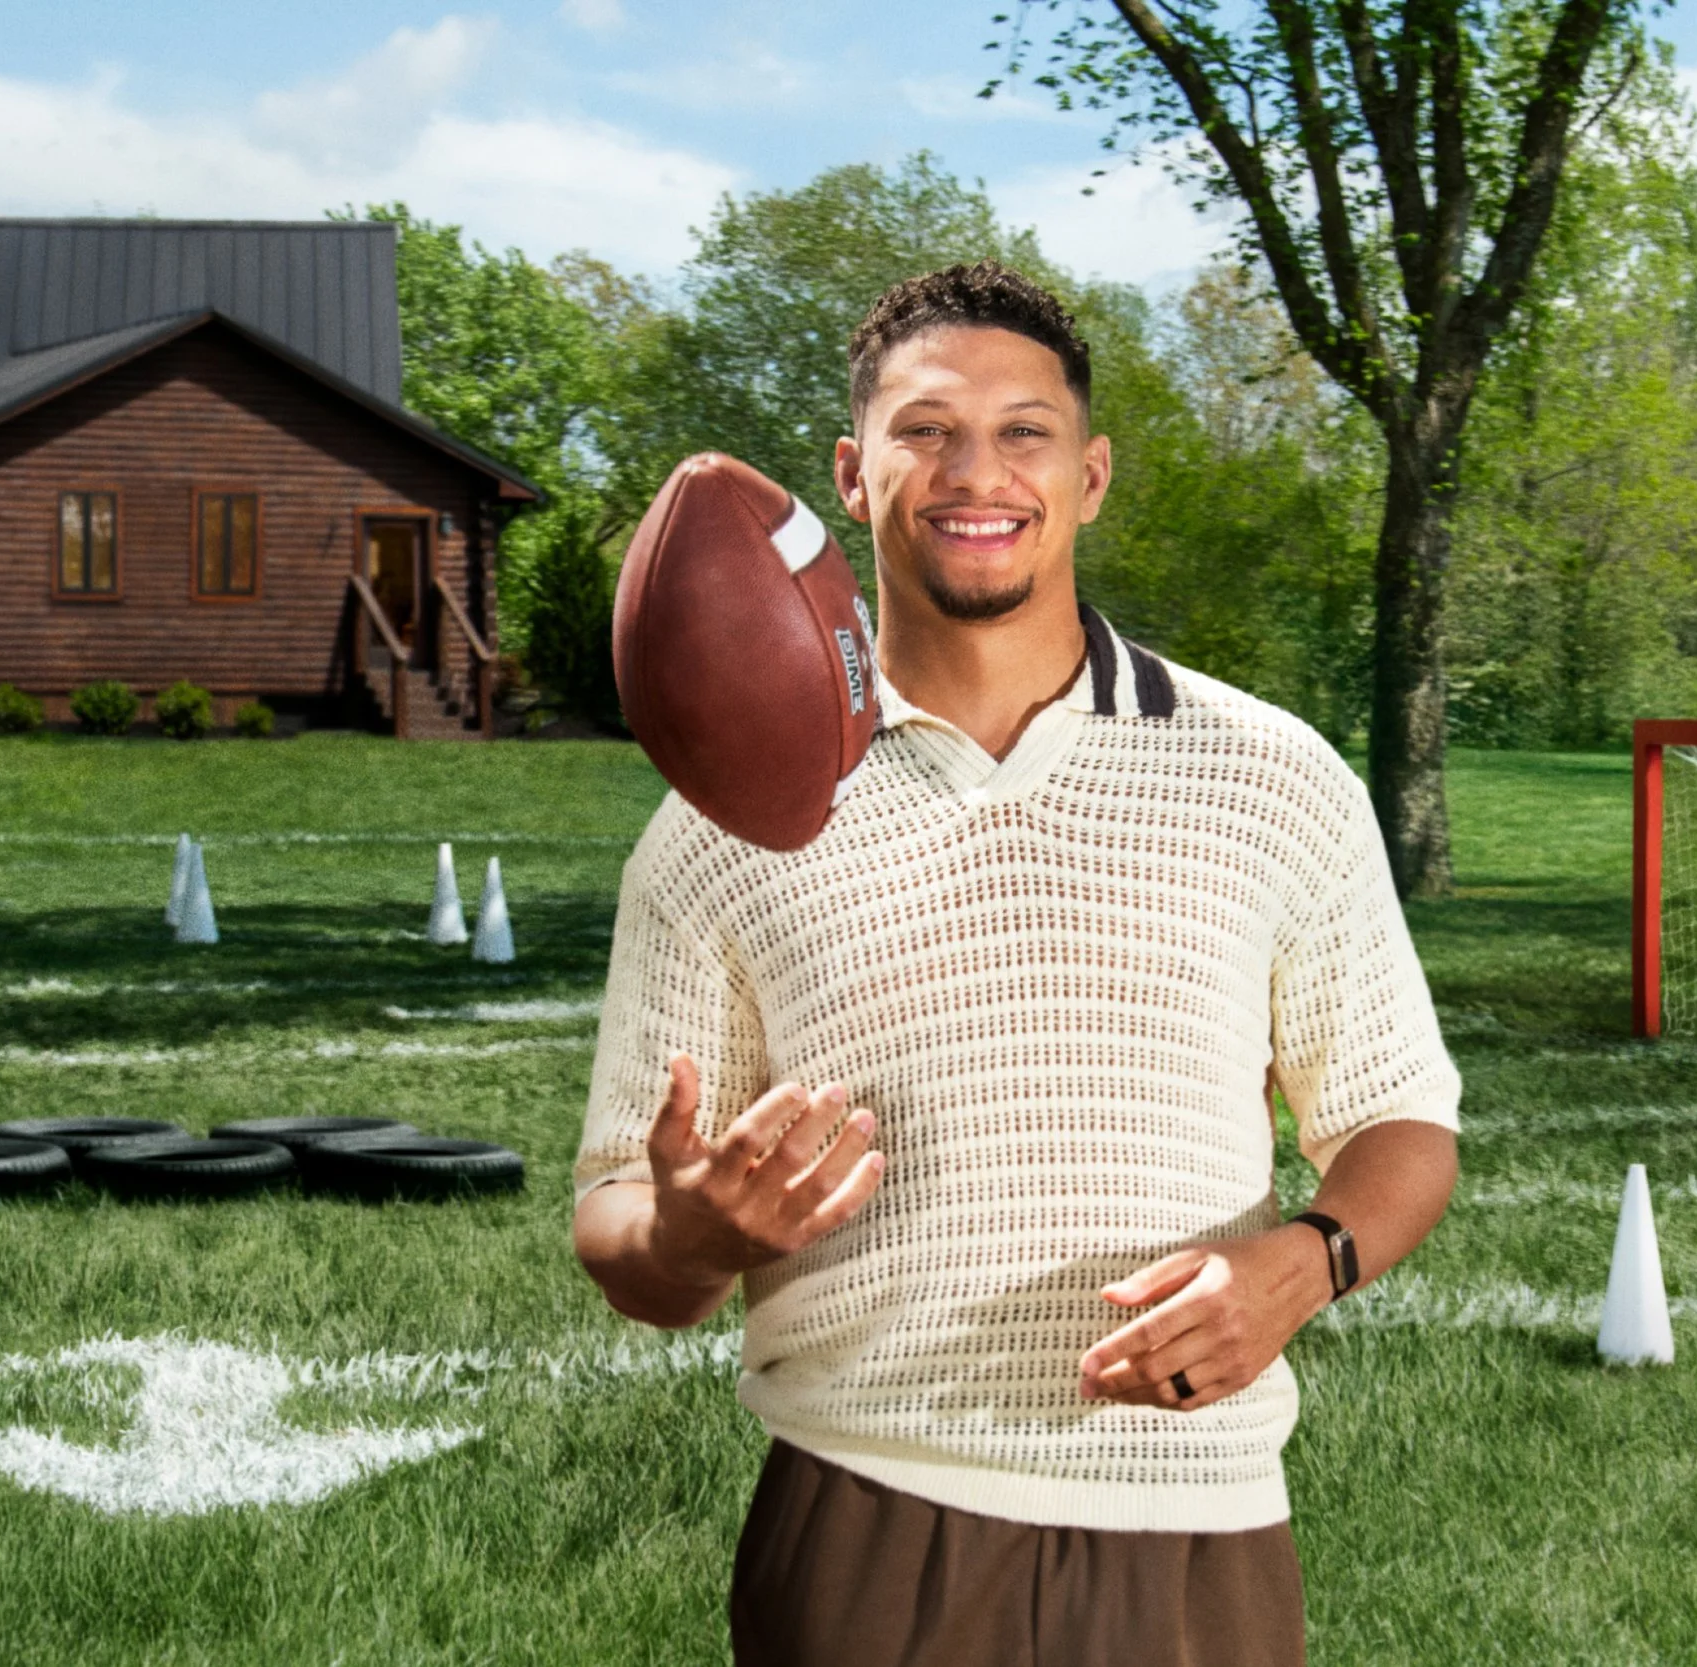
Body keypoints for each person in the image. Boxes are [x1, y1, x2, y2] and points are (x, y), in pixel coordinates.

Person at [573, 261, 1461, 1667]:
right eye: (925, 430)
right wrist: (691, 1235)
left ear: (1091, 475)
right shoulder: (718, 829)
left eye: (1023, 431)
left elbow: (1403, 1118)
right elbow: (618, 1219)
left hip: (1199, 1526)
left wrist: (1307, 1261)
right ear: (852, 478)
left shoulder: (1273, 774)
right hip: (868, 1517)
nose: (974, 472)